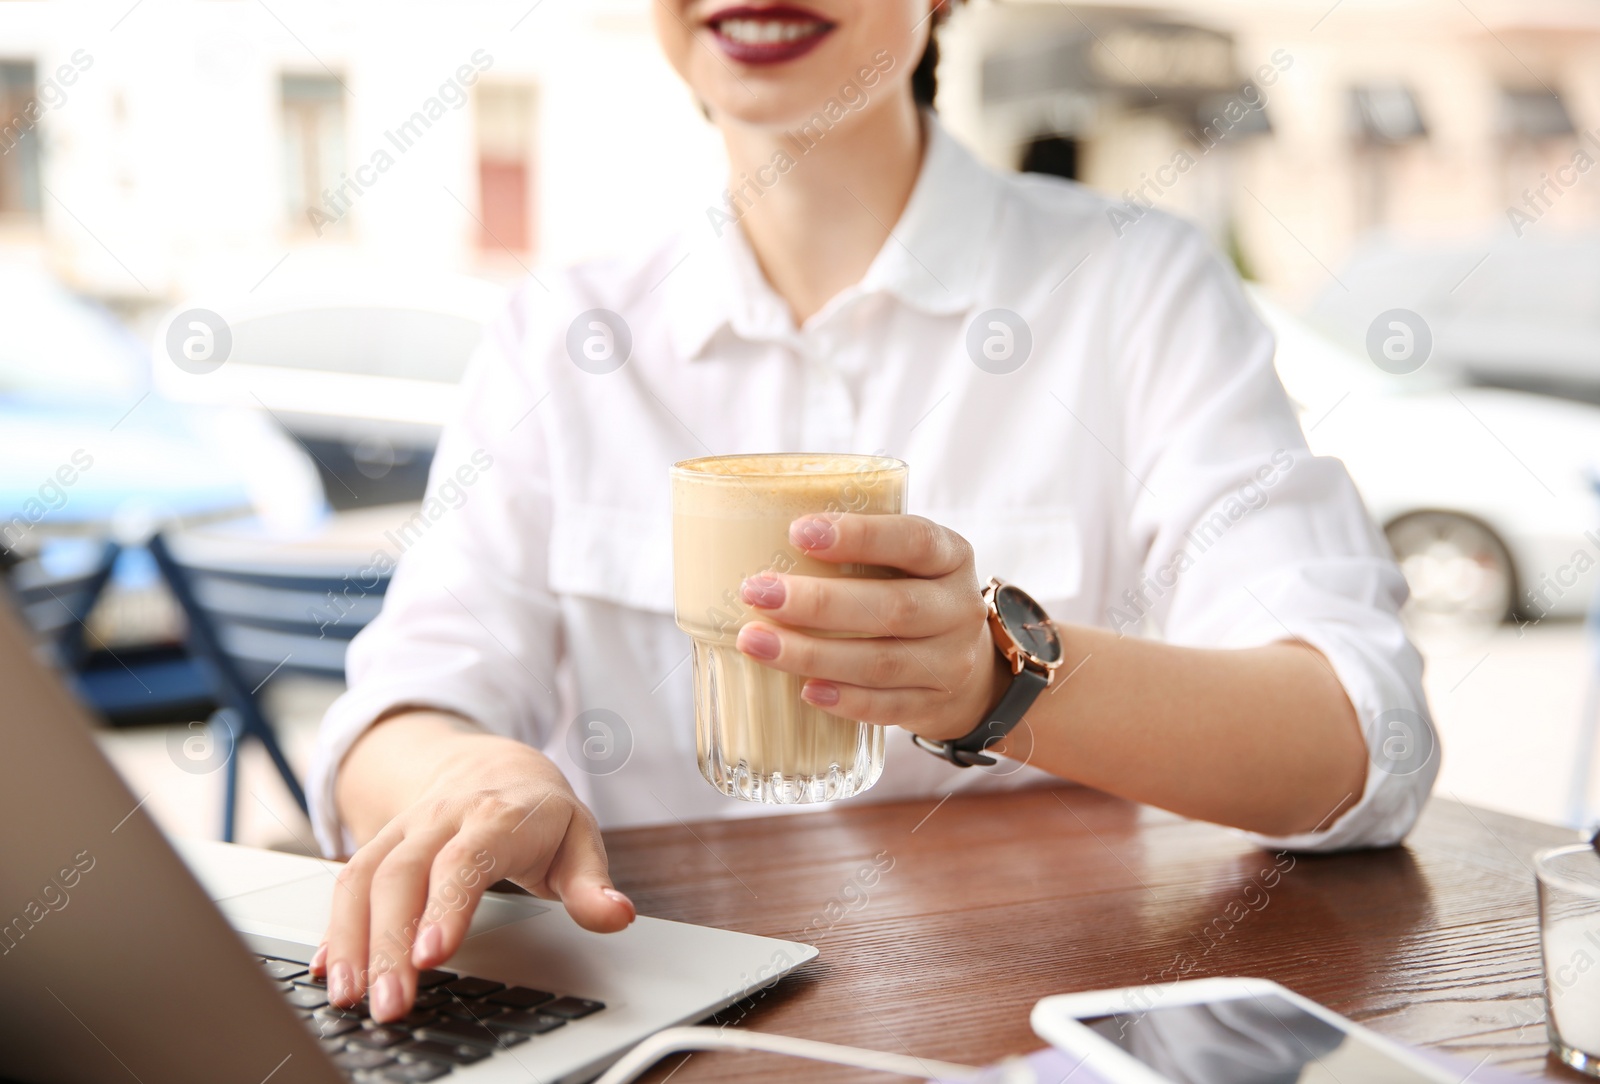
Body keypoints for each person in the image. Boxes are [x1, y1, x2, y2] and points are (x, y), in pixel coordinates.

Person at [306, 0, 1438, 1024]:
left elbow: (1356, 741)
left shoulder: (1136, 286)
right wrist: (475, 776)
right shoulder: (561, 330)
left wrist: (997, 678)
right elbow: (397, 712)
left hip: (1019, 1008)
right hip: (658, 1010)